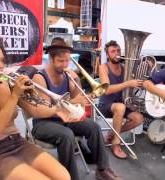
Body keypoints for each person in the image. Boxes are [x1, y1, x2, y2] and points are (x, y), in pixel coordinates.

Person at [0, 35, 70, 180]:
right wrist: (14, 95)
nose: (0, 65)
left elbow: (34, 110)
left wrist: (58, 109)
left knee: (63, 176)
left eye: (2, 60)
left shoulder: (6, 83)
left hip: (16, 142)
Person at [32, 37, 121, 180]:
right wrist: (73, 101)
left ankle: (103, 169)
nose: (65, 64)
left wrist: (78, 81)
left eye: (67, 61)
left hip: (65, 119)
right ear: (51, 59)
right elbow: (46, 109)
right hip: (44, 122)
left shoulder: (67, 75)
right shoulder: (40, 77)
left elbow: (77, 101)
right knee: (66, 135)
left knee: (93, 126)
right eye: (61, 61)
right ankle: (70, 176)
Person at [98, 40, 144, 159]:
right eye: (113, 51)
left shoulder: (124, 67)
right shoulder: (103, 67)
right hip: (106, 105)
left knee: (139, 118)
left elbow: (133, 86)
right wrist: (128, 83)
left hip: (122, 104)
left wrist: (145, 68)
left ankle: (113, 134)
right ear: (108, 55)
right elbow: (106, 90)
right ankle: (115, 144)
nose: (116, 53)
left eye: (118, 50)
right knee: (120, 107)